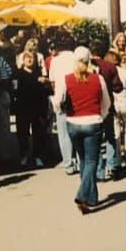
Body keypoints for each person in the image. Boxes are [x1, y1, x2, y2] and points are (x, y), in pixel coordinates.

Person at [54, 47, 110, 214]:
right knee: (92, 161)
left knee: (83, 159)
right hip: (93, 121)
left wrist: (62, 112)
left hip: (73, 121)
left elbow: (57, 100)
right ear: (89, 60)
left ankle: (91, 197)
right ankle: (83, 194)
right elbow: (106, 102)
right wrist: (101, 115)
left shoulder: (66, 79)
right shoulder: (98, 78)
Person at [13, 48, 50, 167]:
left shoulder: (39, 73)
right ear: (23, 60)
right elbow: (15, 90)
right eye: (27, 58)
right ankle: (24, 155)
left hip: (37, 108)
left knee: (38, 132)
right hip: (23, 108)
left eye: (32, 58)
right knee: (22, 133)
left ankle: (37, 156)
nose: (29, 60)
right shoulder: (18, 74)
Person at [91, 41, 122, 181]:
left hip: (92, 106)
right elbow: (118, 87)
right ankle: (112, 166)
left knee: (95, 140)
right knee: (110, 136)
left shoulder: (87, 66)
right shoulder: (110, 67)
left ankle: (99, 171)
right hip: (108, 105)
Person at [48, 35, 79, 174]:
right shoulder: (76, 58)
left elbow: (52, 82)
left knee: (63, 132)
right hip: (76, 96)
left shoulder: (55, 61)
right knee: (77, 130)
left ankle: (68, 163)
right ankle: (79, 160)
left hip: (60, 97)